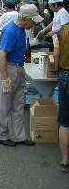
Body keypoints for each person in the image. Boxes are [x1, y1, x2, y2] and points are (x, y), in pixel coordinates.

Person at [0, 4, 43, 147]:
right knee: (5, 105)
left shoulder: (21, 29)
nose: (34, 24)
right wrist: (5, 79)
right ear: (26, 18)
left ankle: (18, 136)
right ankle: (1, 134)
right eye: (33, 21)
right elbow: (2, 56)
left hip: (17, 68)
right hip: (9, 68)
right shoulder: (11, 31)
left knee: (18, 104)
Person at [53, 21, 69, 172]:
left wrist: (58, 70)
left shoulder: (63, 29)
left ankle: (65, 160)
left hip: (65, 75)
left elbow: (56, 54)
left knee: (64, 121)